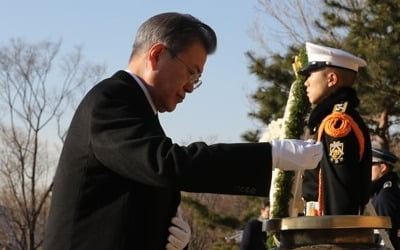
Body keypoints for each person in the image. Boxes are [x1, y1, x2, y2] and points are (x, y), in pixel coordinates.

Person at [43, 13, 323, 250]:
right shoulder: (111, 100)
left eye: (197, 79)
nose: (191, 86)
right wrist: (272, 155)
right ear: (157, 55)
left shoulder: (138, 110)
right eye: (192, 73)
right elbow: (168, 164)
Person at [299, 42, 372, 215]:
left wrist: (332, 237)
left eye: (310, 75)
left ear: (331, 79)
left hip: (330, 228)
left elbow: (338, 191)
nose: (306, 83)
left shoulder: (337, 123)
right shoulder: (333, 117)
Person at [370, 147, 400, 250]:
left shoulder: (386, 195)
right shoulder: (380, 191)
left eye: (371, 165)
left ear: (383, 168)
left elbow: (386, 236)